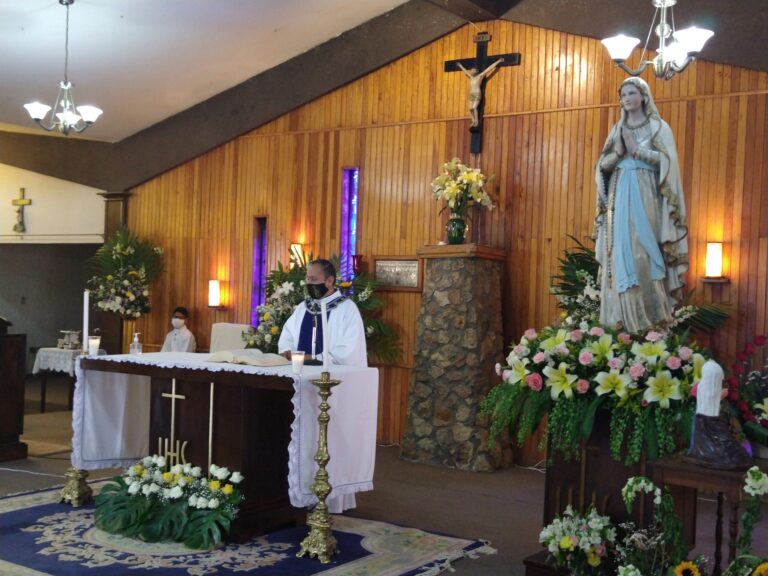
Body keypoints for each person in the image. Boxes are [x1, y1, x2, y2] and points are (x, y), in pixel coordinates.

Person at [594, 77, 689, 333]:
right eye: (623, 93)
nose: (627, 98)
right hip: (620, 191)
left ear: (644, 96)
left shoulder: (659, 128)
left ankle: (651, 321)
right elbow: (602, 167)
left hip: (647, 194)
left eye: (632, 92)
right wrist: (620, 153)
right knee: (620, 251)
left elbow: (668, 164)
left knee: (644, 252)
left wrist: (638, 151)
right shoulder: (617, 130)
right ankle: (620, 323)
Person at [278, 259, 367, 367]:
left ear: (329, 281)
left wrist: (314, 358)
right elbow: (288, 335)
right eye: (308, 279)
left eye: (313, 279)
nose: (309, 283)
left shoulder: (347, 308)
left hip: (333, 377)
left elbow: (349, 350)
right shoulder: (303, 307)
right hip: (299, 373)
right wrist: (287, 351)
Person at [456, 58, 504, 127]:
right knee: (470, 108)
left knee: (474, 107)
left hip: (477, 93)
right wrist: (460, 66)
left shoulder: (480, 76)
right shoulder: (471, 77)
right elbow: (465, 71)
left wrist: (498, 61)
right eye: (471, 70)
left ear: (476, 71)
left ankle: (476, 121)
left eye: (473, 70)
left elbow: (489, 68)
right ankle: (473, 120)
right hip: (472, 94)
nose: (471, 71)